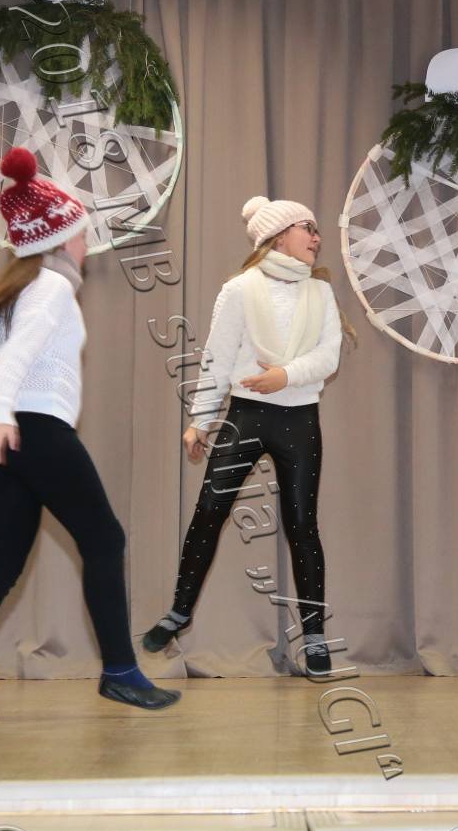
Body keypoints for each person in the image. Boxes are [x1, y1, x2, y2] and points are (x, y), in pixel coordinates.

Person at [0, 147, 179, 722]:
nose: (86, 247)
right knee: (104, 540)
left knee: (1, 562)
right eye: (82, 236)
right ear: (62, 240)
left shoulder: (11, 291)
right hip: (32, 430)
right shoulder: (52, 289)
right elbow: (16, 356)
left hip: (3, 438)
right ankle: (120, 672)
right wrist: (0, 413)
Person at [142, 195, 352, 676]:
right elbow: (217, 358)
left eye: (315, 230)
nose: (317, 238)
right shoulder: (238, 290)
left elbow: (329, 357)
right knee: (209, 511)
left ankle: (314, 638)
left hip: (299, 420)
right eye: (307, 228)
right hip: (246, 417)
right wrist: (200, 420)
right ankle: (179, 612)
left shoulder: (320, 293)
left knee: (302, 525)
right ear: (278, 237)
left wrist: (285, 376)